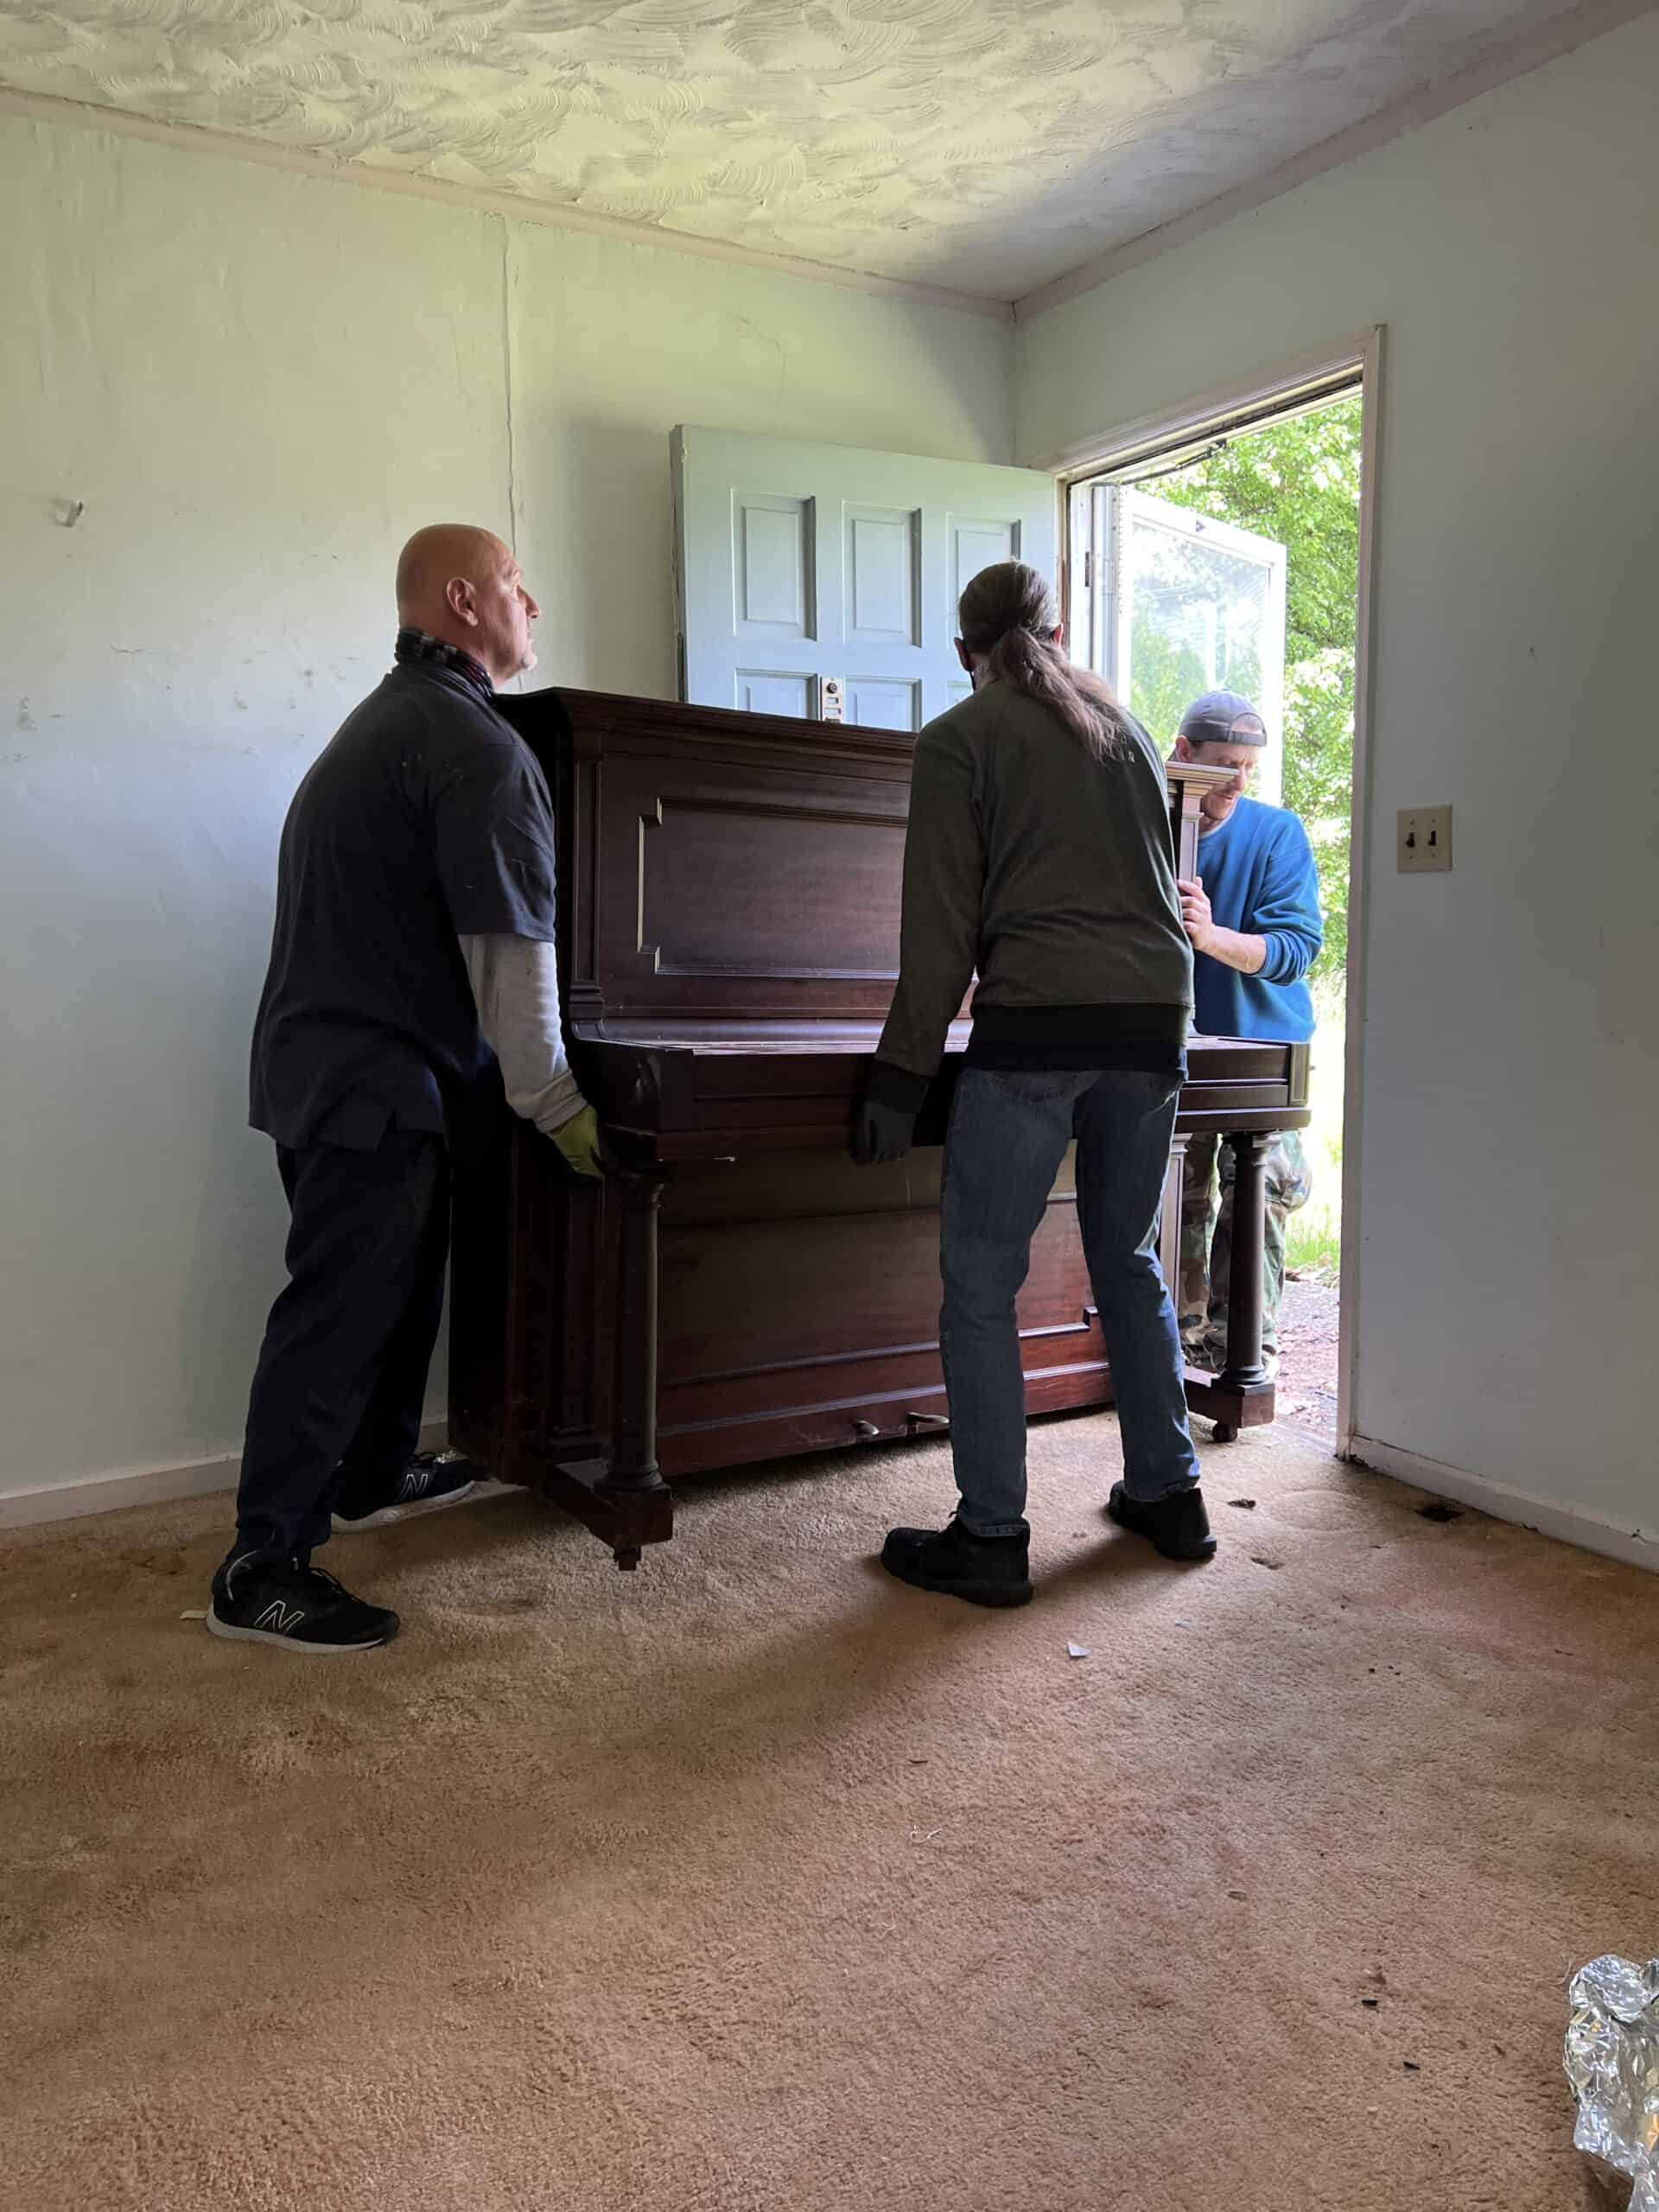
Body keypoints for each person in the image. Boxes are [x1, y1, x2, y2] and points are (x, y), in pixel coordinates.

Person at [207, 524, 601, 1656]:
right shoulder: (470, 744)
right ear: (465, 600)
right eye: (522, 588)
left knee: (397, 1288)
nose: (538, 606)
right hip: (368, 1076)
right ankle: (261, 1565)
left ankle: (372, 1473)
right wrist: (564, 1113)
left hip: (350, 1071)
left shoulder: (395, 719)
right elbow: (511, 963)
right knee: (337, 1317)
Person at [850, 561, 1215, 1609]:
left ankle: (992, 1535)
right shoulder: (1132, 732)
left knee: (979, 1278)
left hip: (1039, 1029)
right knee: (1127, 1256)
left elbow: (939, 936)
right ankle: (1170, 1491)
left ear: (965, 652)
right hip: (1155, 1026)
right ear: (1057, 634)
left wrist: (898, 1075)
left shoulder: (960, 740)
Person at [1170, 690, 1322, 1378]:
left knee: (1258, 1199)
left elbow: (1295, 948)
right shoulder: (1145, 829)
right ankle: (1174, 1349)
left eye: (1248, 767)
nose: (1236, 781)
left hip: (1263, 1047)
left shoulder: (1276, 833)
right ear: (1182, 756)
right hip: (1171, 1046)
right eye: (1224, 763)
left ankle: (1244, 1358)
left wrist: (1211, 938)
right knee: (1182, 1203)